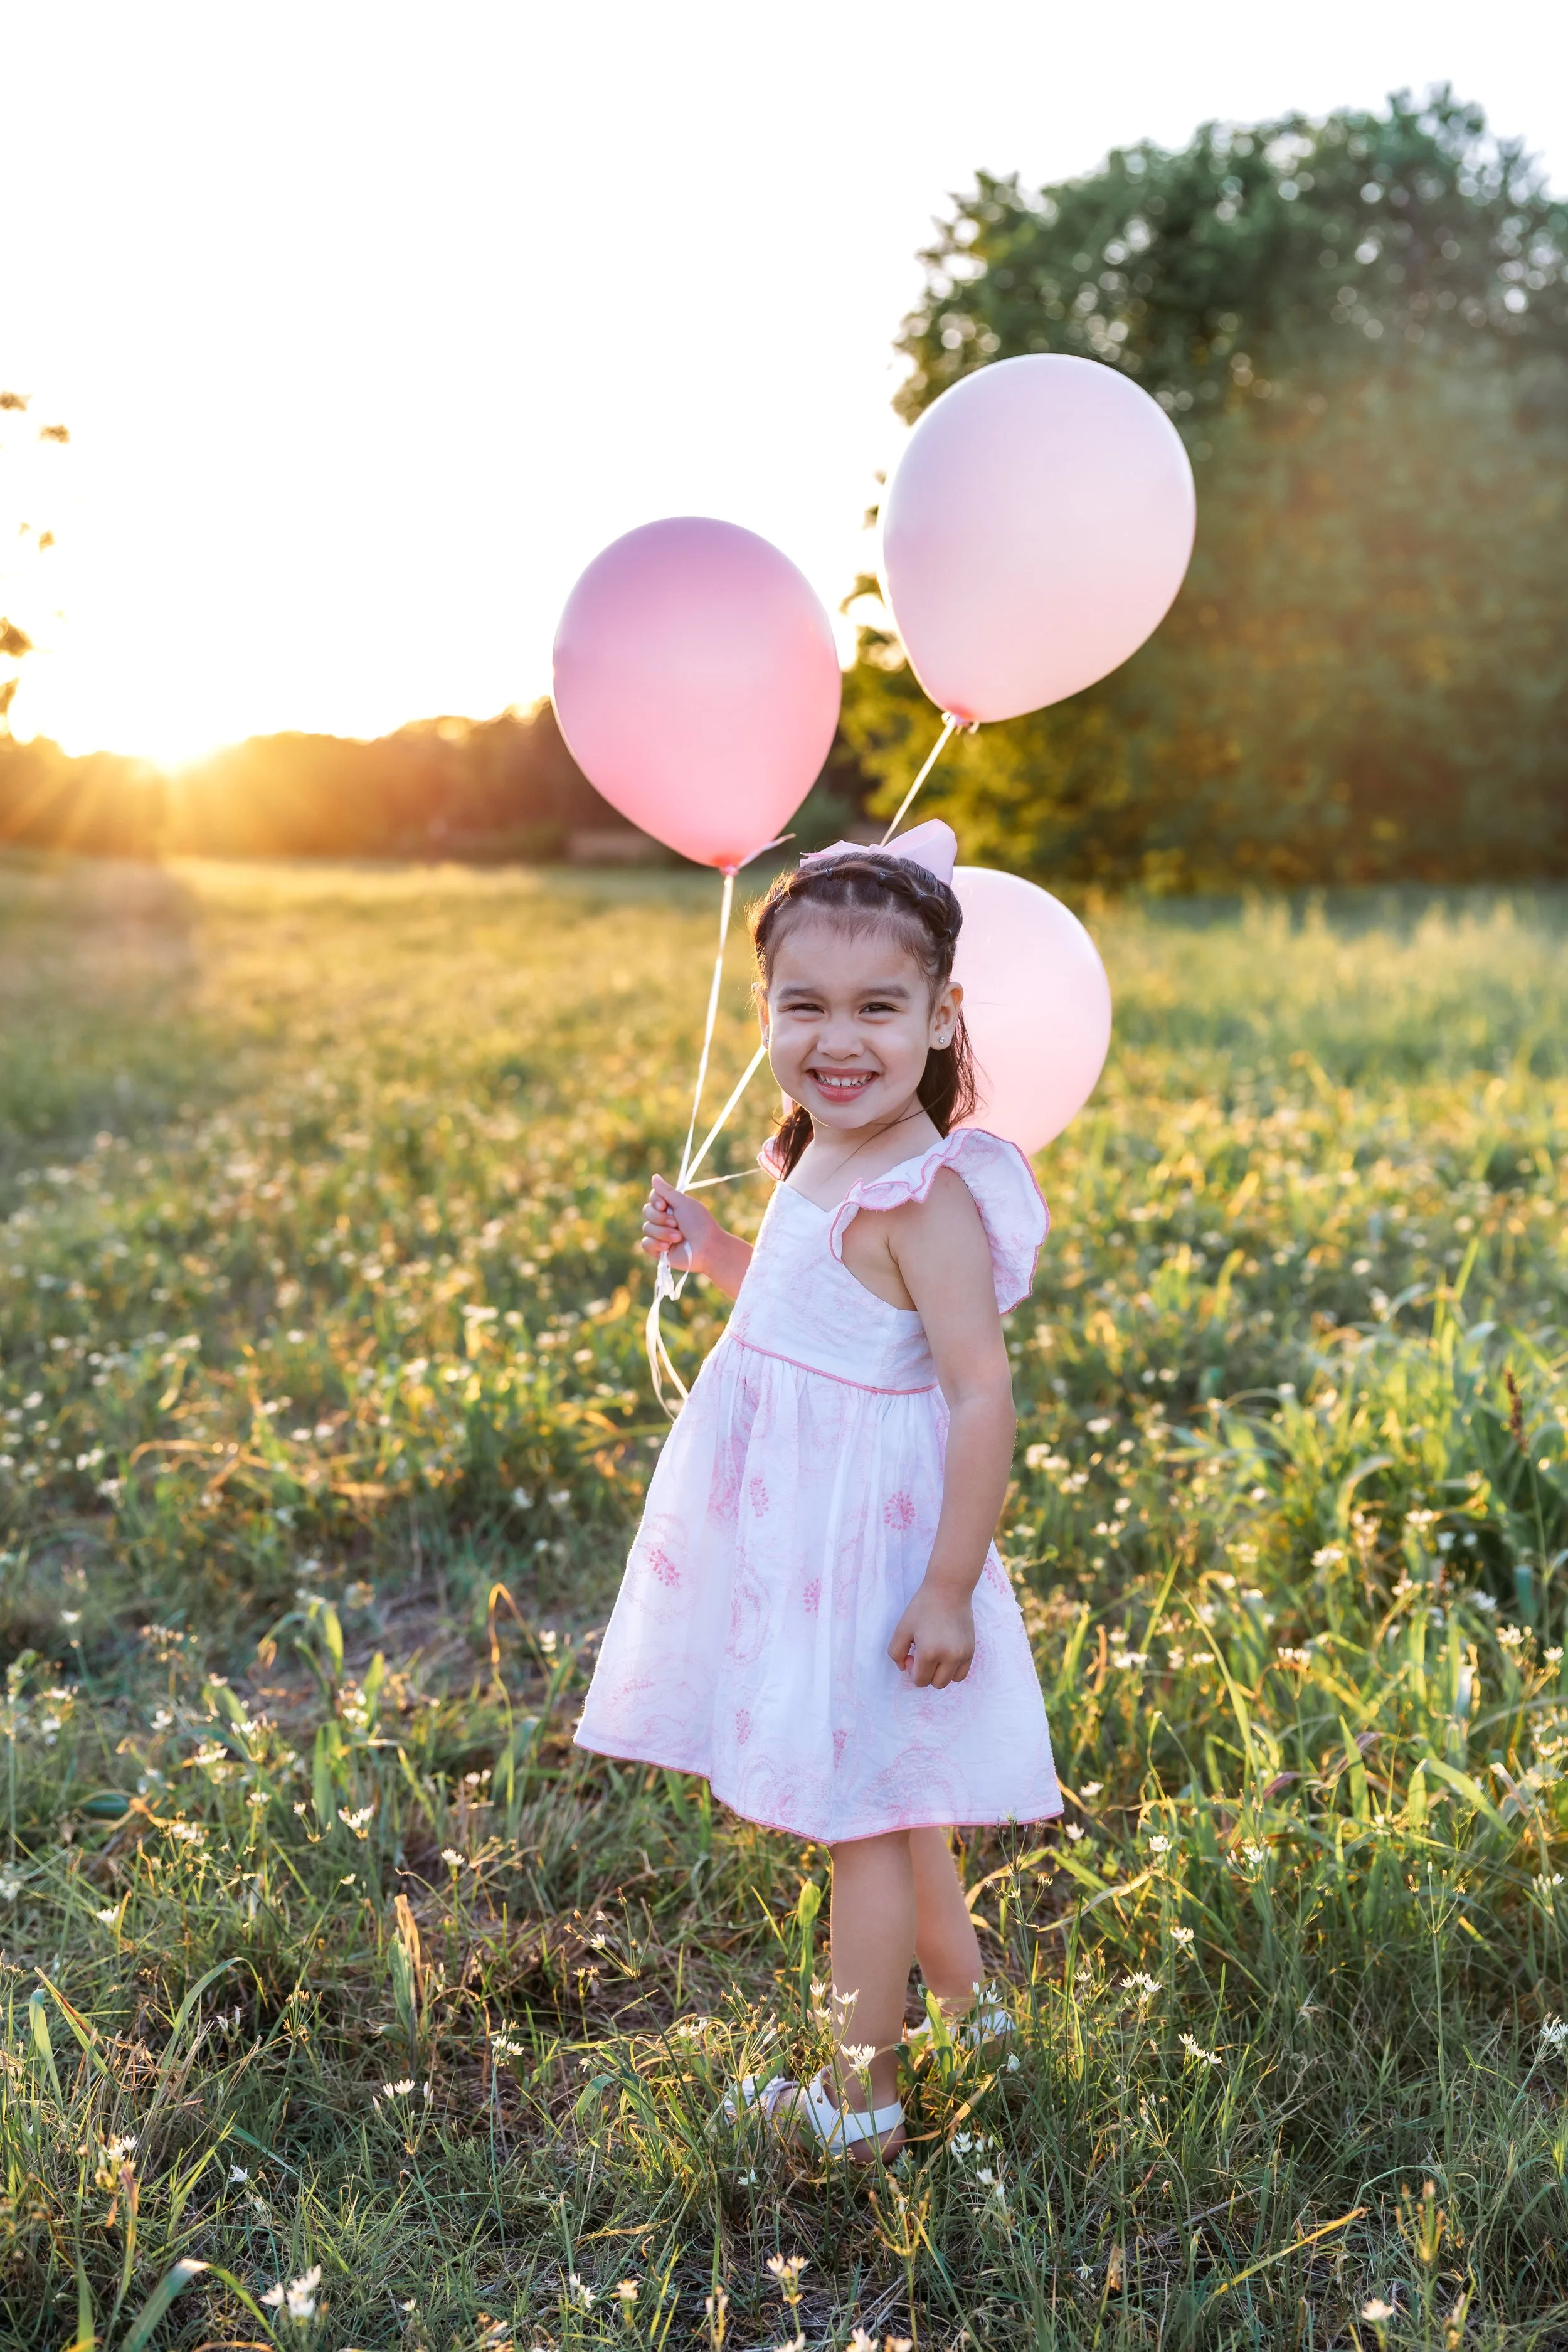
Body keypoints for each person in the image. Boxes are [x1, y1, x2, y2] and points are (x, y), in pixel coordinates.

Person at [574, 818, 1060, 2162]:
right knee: (899, 1800)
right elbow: (801, 1308)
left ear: (941, 1017)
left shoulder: (925, 1197)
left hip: (874, 1547)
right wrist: (719, 1245)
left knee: (856, 1816)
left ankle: (858, 2101)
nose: (836, 1040)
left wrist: (949, 1585)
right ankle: (972, 2023)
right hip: (796, 1532)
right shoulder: (815, 1158)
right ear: (765, 1010)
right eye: (804, 1006)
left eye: (877, 1008)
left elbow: (978, 1393)